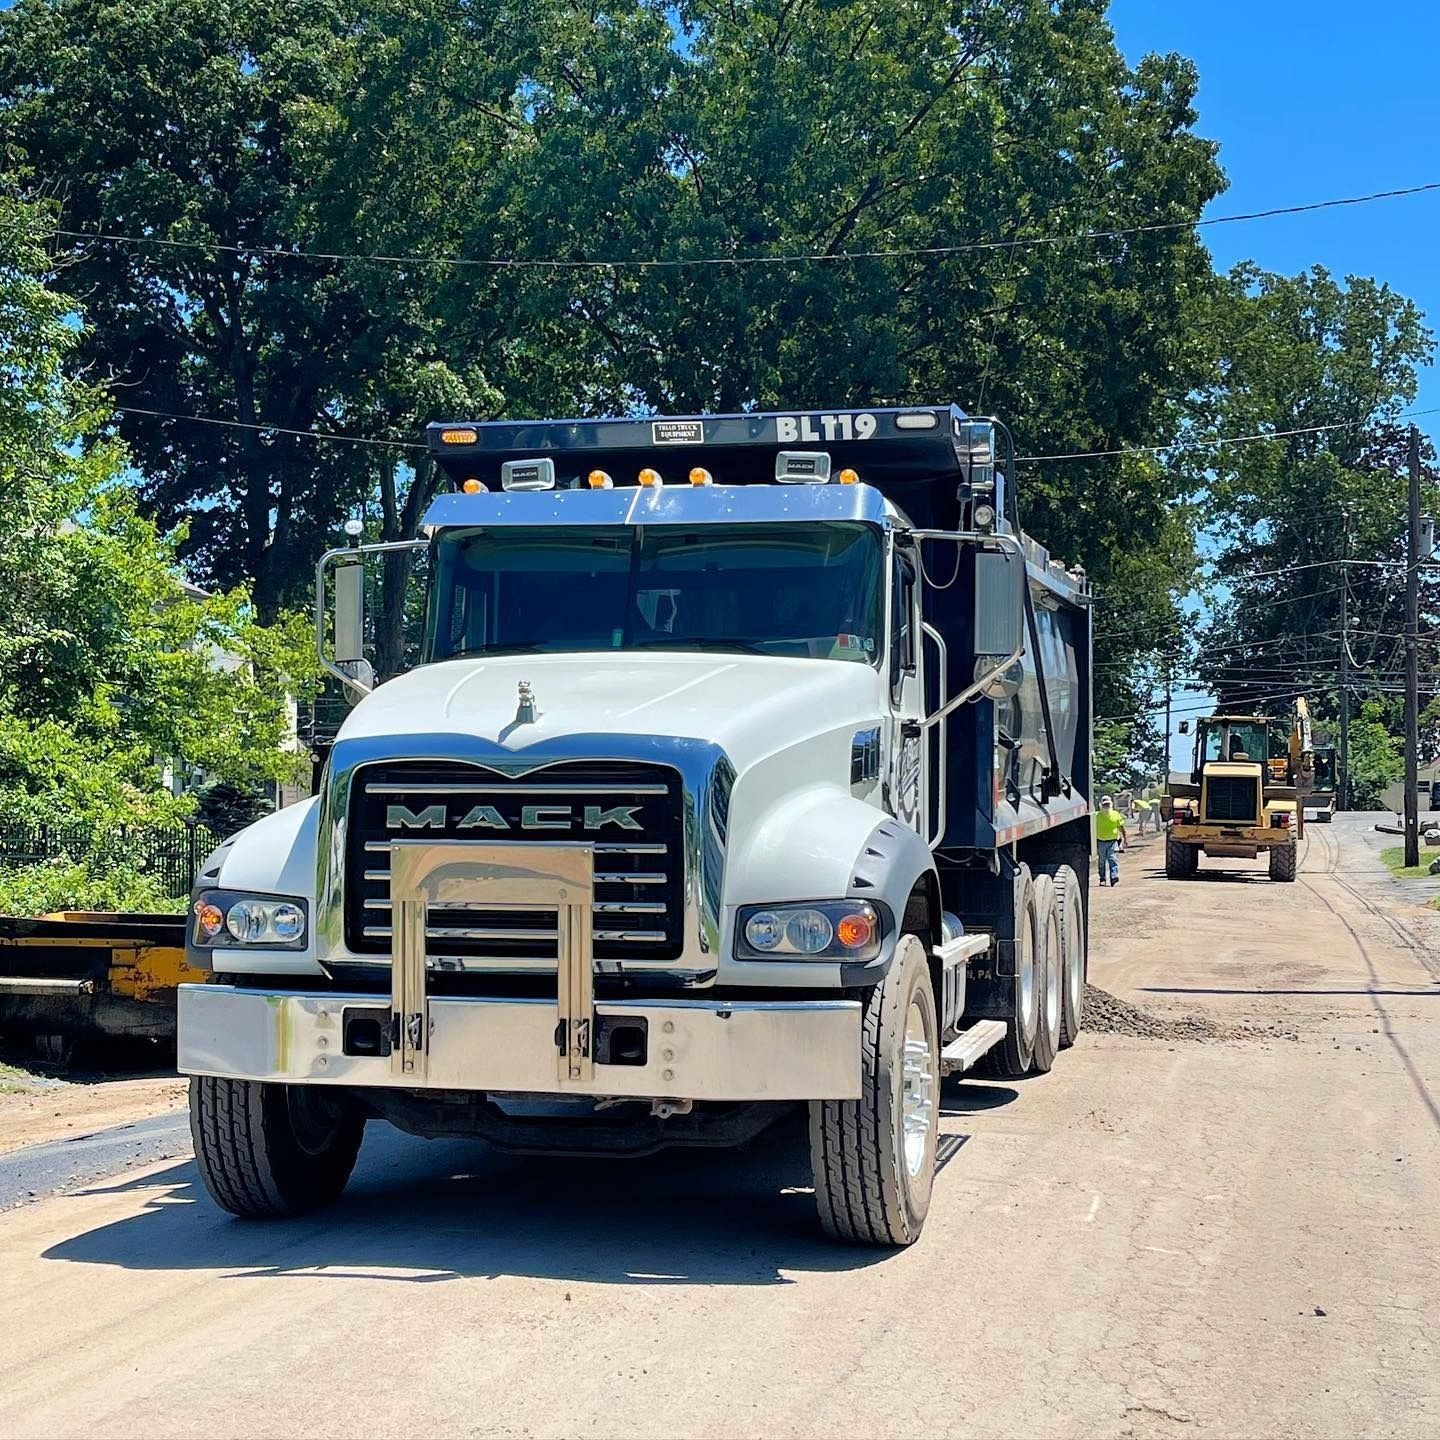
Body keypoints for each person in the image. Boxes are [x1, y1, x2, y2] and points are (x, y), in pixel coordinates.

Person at [1095, 794, 1128, 886]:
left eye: (1108, 804)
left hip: (1113, 842)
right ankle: (1102, 879)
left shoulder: (1115, 814)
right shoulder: (1096, 815)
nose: (1106, 806)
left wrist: (1125, 839)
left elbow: (1121, 827)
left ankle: (1114, 877)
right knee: (1101, 861)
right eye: (1104, 805)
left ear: (1111, 805)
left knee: (1112, 859)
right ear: (1101, 805)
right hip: (1100, 841)